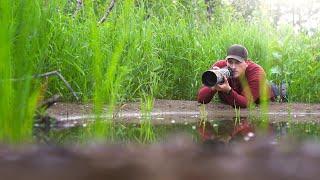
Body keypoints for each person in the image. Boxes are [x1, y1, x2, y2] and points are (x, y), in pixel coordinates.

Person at [197, 44, 276, 108]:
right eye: (230, 62)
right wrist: (213, 84)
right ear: (226, 61)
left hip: (263, 96)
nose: (233, 67)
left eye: (238, 62)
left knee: (281, 90)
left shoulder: (256, 72)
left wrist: (228, 91)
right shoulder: (219, 67)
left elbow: (246, 103)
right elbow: (201, 99)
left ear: (246, 63)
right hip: (236, 98)